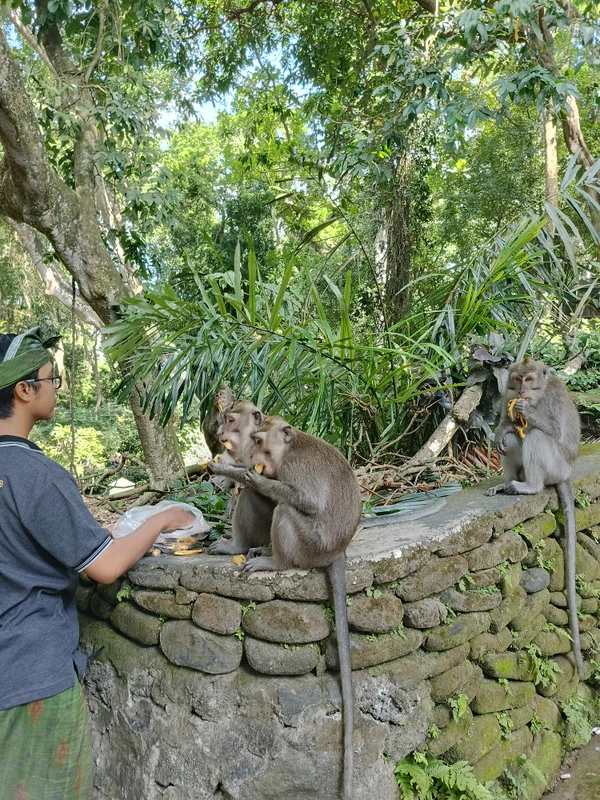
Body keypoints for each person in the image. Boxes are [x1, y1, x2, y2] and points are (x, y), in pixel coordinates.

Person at [0, 328, 193, 800]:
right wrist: (161, 519)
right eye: (53, 378)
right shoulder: (35, 474)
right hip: (32, 677)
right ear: (24, 390)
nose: (57, 387)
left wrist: (86, 540)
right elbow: (104, 569)